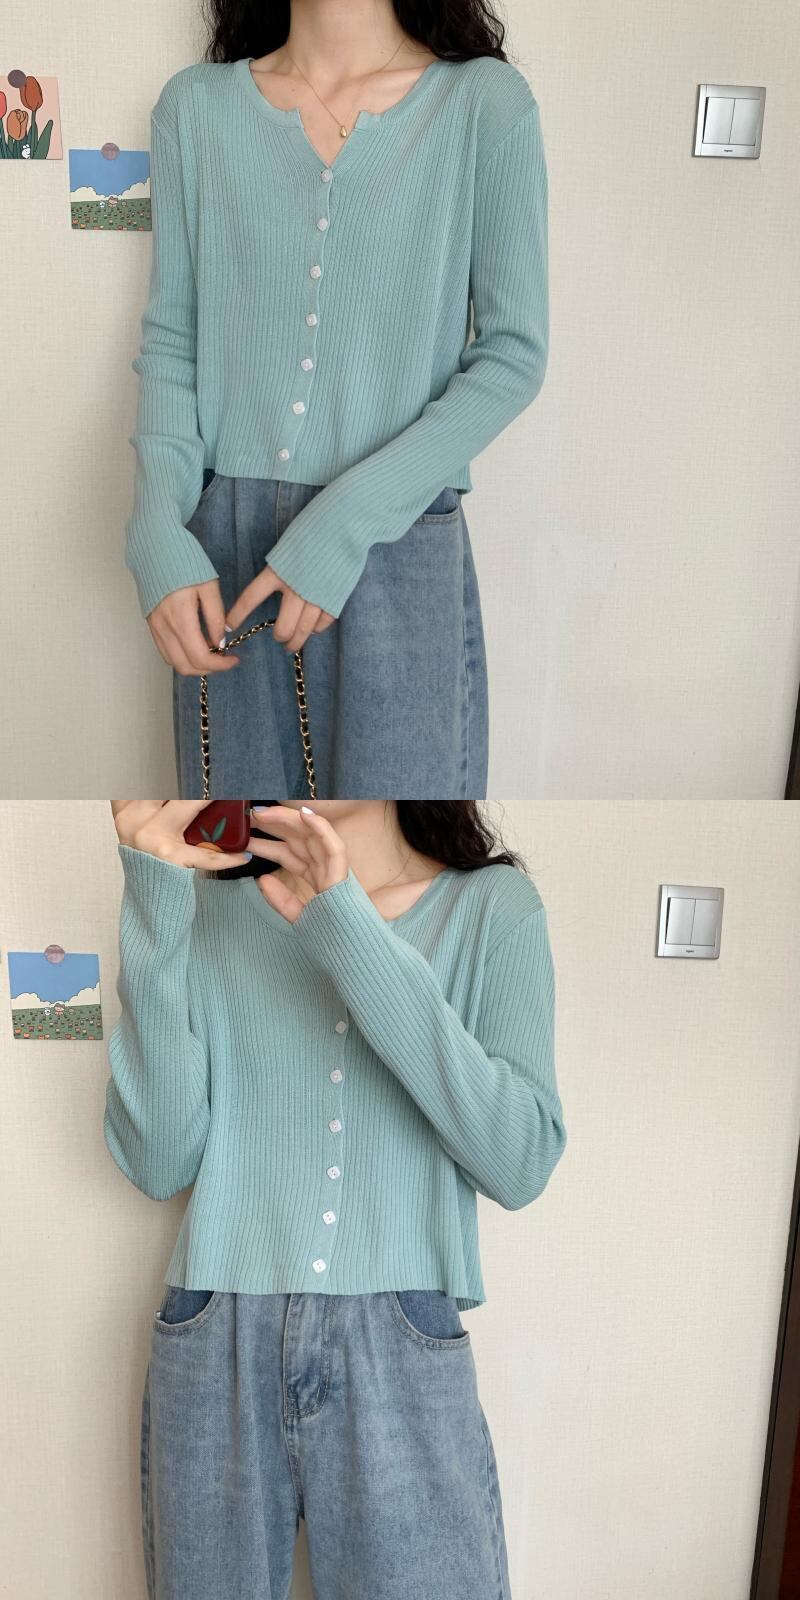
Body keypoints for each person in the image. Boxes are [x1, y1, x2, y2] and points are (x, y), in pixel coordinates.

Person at [104, 798, 566, 1599]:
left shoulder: (494, 907)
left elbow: (518, 1161)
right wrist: (154, 898)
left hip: (401, 1337)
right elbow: (157, 1161)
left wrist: (350, 931)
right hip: (215, 1330)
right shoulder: (206, 904)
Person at [125, 0, 549, 798]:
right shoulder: (195, 110)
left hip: (397, 539)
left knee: (399, 823)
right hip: (224, 552)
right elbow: (175, 341)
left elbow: (512, 355)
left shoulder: (483, 106)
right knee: (245, 844)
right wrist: (154, 526)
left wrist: (345, 522)